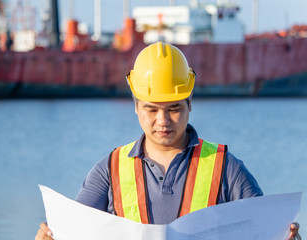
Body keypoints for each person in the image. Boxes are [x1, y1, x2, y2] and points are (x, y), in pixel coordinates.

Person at [35, 42, 301, 240]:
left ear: (189, 105)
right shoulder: (110, 169)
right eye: (151, 109)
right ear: (136, 107)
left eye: (174, 108)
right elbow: (74, 231)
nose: (163, 121)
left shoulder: (225, 167)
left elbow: (265, 229)